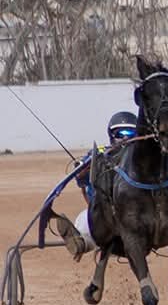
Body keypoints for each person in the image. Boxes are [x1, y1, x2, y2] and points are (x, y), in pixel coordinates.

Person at [52, 111, 140, 260]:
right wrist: (82, 169)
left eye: (130, 133)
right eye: (120, 133)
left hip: (138, 213)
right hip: (104, 214)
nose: (125, 138)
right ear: (112, 135)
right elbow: (81, 179)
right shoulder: (100, 154)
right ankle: (81, 243)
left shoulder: (142, 158)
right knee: (86, 219)